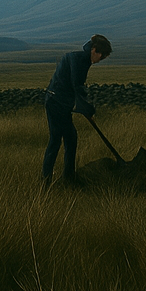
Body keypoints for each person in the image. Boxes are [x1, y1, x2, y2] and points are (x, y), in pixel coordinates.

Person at [41, 34, 112, 187]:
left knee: (71, 139)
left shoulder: (81, 59)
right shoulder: (79, 60)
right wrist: (87, 110)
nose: (101, 59)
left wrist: (85, 109)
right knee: (55, 141)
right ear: (94, 50)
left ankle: (68, 178)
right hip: (55, 103)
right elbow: (77, 86)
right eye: (102, 55)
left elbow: (76, 88)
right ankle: (45, 183)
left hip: (61, 104)